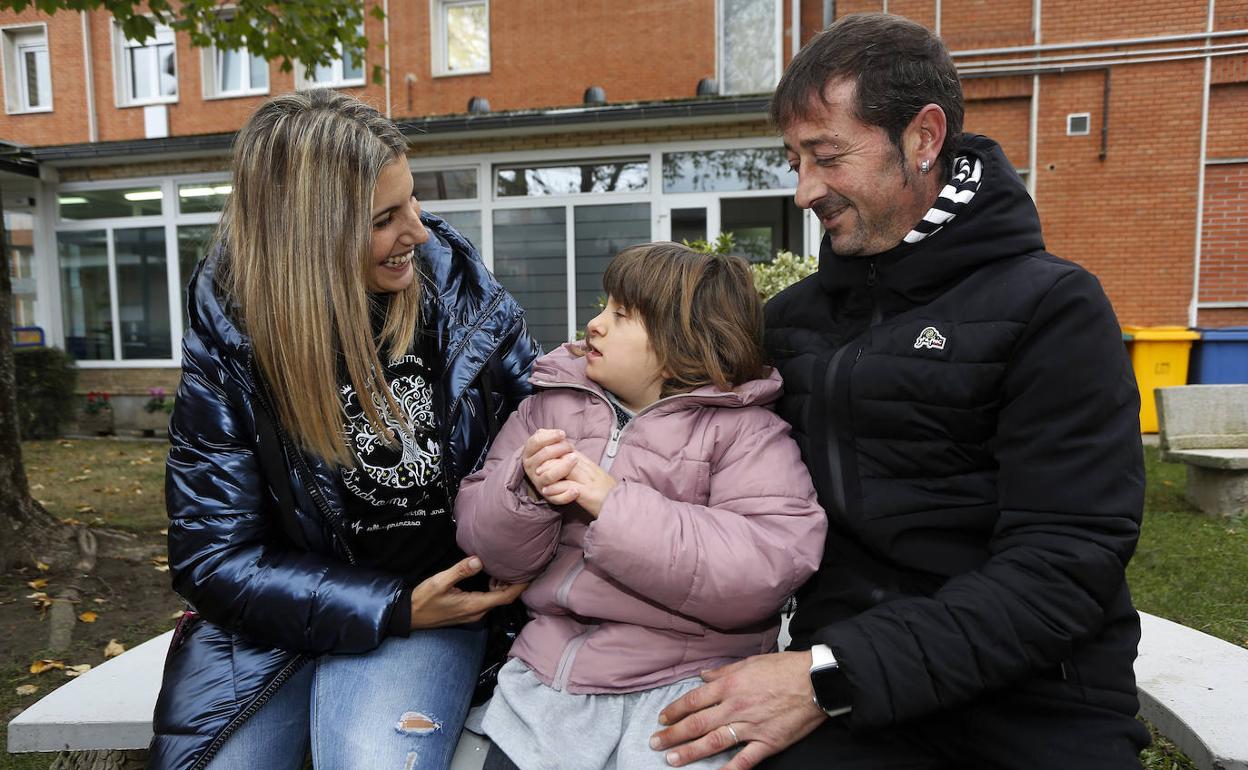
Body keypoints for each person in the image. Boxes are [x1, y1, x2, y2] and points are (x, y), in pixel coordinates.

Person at [652, 13, 1149, 770]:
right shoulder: (791, 323)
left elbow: (1064, 567)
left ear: (922, 138)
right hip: (852, 707)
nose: (802, 190)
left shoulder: (1054, 309)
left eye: (826, 157)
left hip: (1036, 703)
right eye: (793, 160)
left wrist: (826, 676)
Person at [148, 89, 538, 770]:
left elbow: (548, 415)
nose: (417, 230)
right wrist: (392, 606)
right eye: (386, 218)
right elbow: (213, 556)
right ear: (308, 239)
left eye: (412, 200)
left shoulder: (458, 288)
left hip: (441, 609)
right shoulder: (235, 329)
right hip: (276, 628)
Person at [454, 243, 828, 770]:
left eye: (621, 315)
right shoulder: (549, 406)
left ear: (685, 345)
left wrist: (613, 505)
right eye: (603, 306)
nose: (595, 324)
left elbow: (764, 570)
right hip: (549, 679)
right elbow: (494, 553)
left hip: (685, 691)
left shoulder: (745, 433)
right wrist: (525, 490)